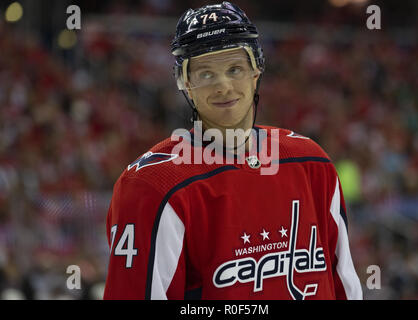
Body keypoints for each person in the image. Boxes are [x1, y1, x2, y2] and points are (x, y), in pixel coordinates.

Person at [103, 1, 363, 300]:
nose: (224, 85)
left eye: (235, 68)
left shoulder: (310, 162)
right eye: (205, 73)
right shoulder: (150, 185)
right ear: (184, 82)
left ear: (256, 71)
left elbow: (345, 286)